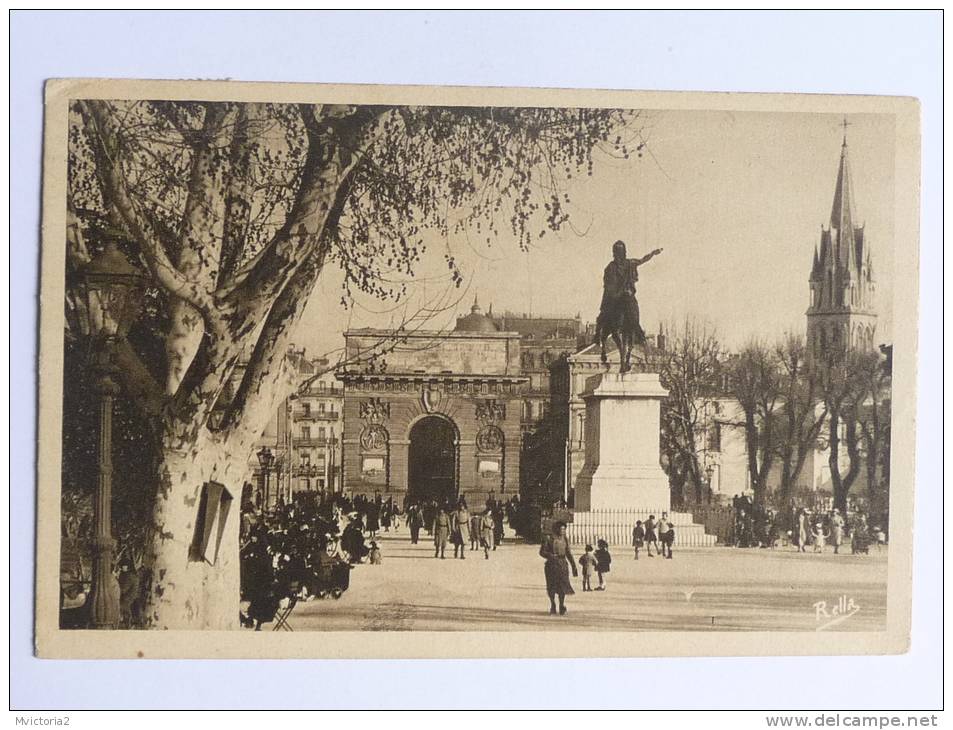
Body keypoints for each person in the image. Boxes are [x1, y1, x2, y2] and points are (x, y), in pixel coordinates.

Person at [539, 521, 578, 615]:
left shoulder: (565, 539)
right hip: (551, 565)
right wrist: (550, 555)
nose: (563, 531)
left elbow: (568, 553)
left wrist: (573, 566)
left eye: (564, 529)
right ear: (556, 529)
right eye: (561, 529)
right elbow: (542, 552)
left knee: (562, 586)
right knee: (551, 586)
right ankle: (553, 604)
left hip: (562, 565)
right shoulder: (549, 539)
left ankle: (561, 605)